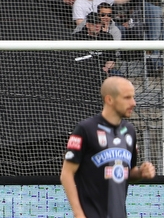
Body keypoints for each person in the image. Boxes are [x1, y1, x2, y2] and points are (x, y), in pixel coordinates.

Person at [61, 77, 156, 218]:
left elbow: (126, 173)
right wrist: (79, 214)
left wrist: (141, 173)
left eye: (133, 97)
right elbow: (66, 174)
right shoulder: (85, 129)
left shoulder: (130, 131)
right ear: (109, 100)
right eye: (127, 98)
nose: (133, 103)